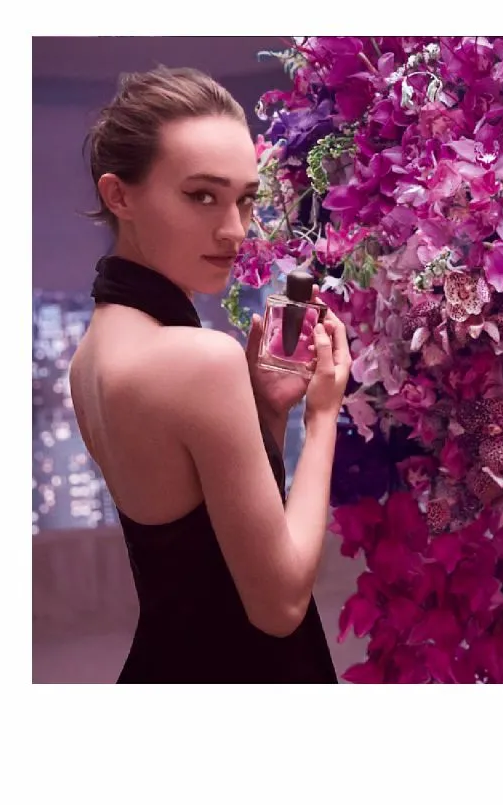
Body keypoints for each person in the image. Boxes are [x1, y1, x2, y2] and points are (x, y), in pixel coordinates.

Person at [69, 67, 351, 683]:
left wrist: (267, 412)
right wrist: (323, 415)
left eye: (244, 199)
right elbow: (279, 606)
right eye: (201, 196)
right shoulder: (199, 359)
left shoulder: (91, 355)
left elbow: (200, 542)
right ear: (119, 196)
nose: (234, 230)